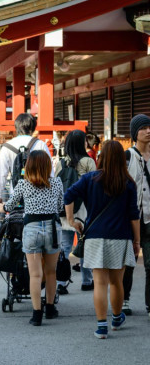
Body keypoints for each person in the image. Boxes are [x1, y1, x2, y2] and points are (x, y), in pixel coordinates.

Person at [64, 140, 141, 338]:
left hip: (94, 237)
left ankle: (101, 327)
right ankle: (116, 318)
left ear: (101, 157)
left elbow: (68, 195)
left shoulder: (90, 179)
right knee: (117, 282)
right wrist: (137, 242)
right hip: (120, 238)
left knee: (99, 283)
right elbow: (134, 216)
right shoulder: (128, 183)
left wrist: (72, 221)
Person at [2, 150, 64, 326]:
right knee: (51, 272)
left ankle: (37, 314)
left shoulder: (23, 184)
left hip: (31, 230)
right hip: (53, 229)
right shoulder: (57, 183)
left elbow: (10, 205)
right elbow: (60, 206)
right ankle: (50, 309)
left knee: (35, 274)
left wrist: (1, 206)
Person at [55, 129, 96, 294]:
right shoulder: (88, 162)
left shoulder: (61, 163)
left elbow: (57, 187)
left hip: (66, 211)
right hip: (84, 211)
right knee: (85, 244)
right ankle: (87, 281)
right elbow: (94, 187)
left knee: (64, 247)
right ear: (81, 143)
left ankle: (61, 282)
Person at [121, 114, 150, 317]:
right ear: (134, 133)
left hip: (149, 218)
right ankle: (124, 300)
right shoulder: (127, 156)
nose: (148, 131)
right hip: (130, 218)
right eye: (143, 128)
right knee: (129, 262)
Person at [0, 113, 52, 206]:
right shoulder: (40, 144)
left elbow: (1, 174)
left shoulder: (7, 147)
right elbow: (49, 171)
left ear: (16, 127)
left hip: (16, 196)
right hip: (39, 196)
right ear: (33, 128)